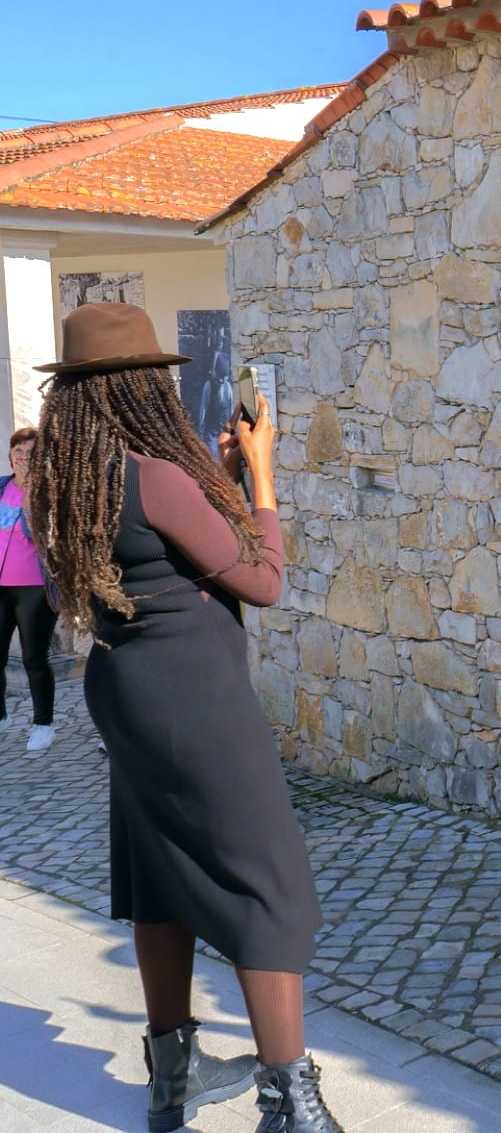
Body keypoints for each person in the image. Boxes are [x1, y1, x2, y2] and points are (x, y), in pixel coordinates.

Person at [30, 303, 342, 1133]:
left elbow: (105, 574)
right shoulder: (156, 476)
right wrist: (264, 479)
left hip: (124, 686)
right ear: (141, 387)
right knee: (265, 882)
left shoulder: (65, 480)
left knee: (157, 874)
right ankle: (292, 1102)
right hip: (192, 693)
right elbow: (261, 579)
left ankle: (172, 1078)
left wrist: (224, 481)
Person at [0, 427, 58, 752]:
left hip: (34, 586)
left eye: (30, 453)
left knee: (34, 658)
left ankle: (43, 724)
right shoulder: (0, 486)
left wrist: (29, 491)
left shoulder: (48, 492)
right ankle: (1, 716)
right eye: (18, 451)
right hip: (0, 586)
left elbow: (41, 534)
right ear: (10, 453)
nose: (22, 457)